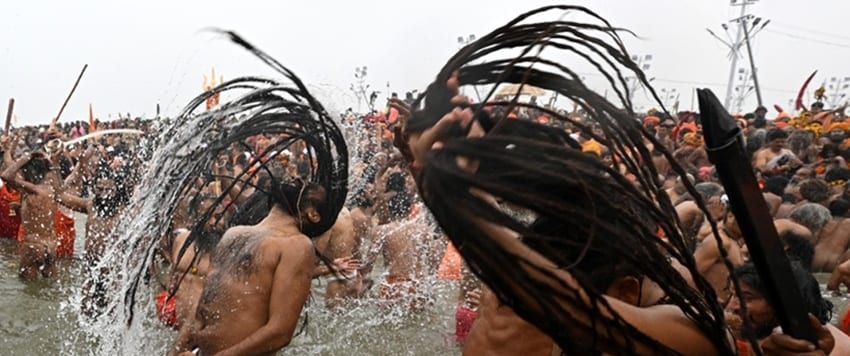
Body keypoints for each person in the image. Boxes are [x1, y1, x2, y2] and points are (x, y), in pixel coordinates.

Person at [727, 262, 846, 355]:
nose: (731, 307)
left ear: (785, 304)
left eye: (746, 298)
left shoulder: (831, 349)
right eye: (731, 295)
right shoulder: (740, 336)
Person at [1, 136, 61, 280]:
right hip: (51, 247)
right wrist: (7, 150)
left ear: (29, 172)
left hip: (33, 246)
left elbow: (6, 175)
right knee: (49, 288)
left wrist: (28, 156)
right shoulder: (52, 188)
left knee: (28, 290)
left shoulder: (32, 189)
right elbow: (10, 165)